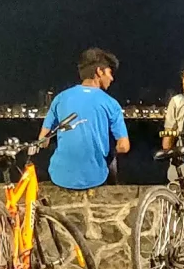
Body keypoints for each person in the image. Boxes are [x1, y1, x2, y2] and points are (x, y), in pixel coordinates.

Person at [39, 48, 130, 189]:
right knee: (111, 157)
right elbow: (124, 146)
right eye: (110, 73)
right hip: (95, 179)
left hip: (59, 177)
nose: (111, 78)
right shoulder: (111, 103)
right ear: (100, 72)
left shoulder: (60, 98)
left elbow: (43, 140)